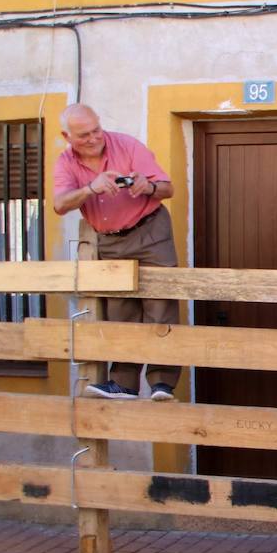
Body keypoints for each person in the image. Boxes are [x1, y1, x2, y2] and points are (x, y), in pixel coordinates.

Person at [51, 104, 180, 401]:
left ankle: (162, 384)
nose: (94, 138)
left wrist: (148, 187)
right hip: (109, 240)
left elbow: (168, 189)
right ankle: (124, 384)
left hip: (150, 231)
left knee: (161, 304)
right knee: (120, 311)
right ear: (67, 136)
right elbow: (59, 205)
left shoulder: (127, 145)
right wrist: (90, 189)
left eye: (96, 129)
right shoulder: (65, 162)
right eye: (84, 135)